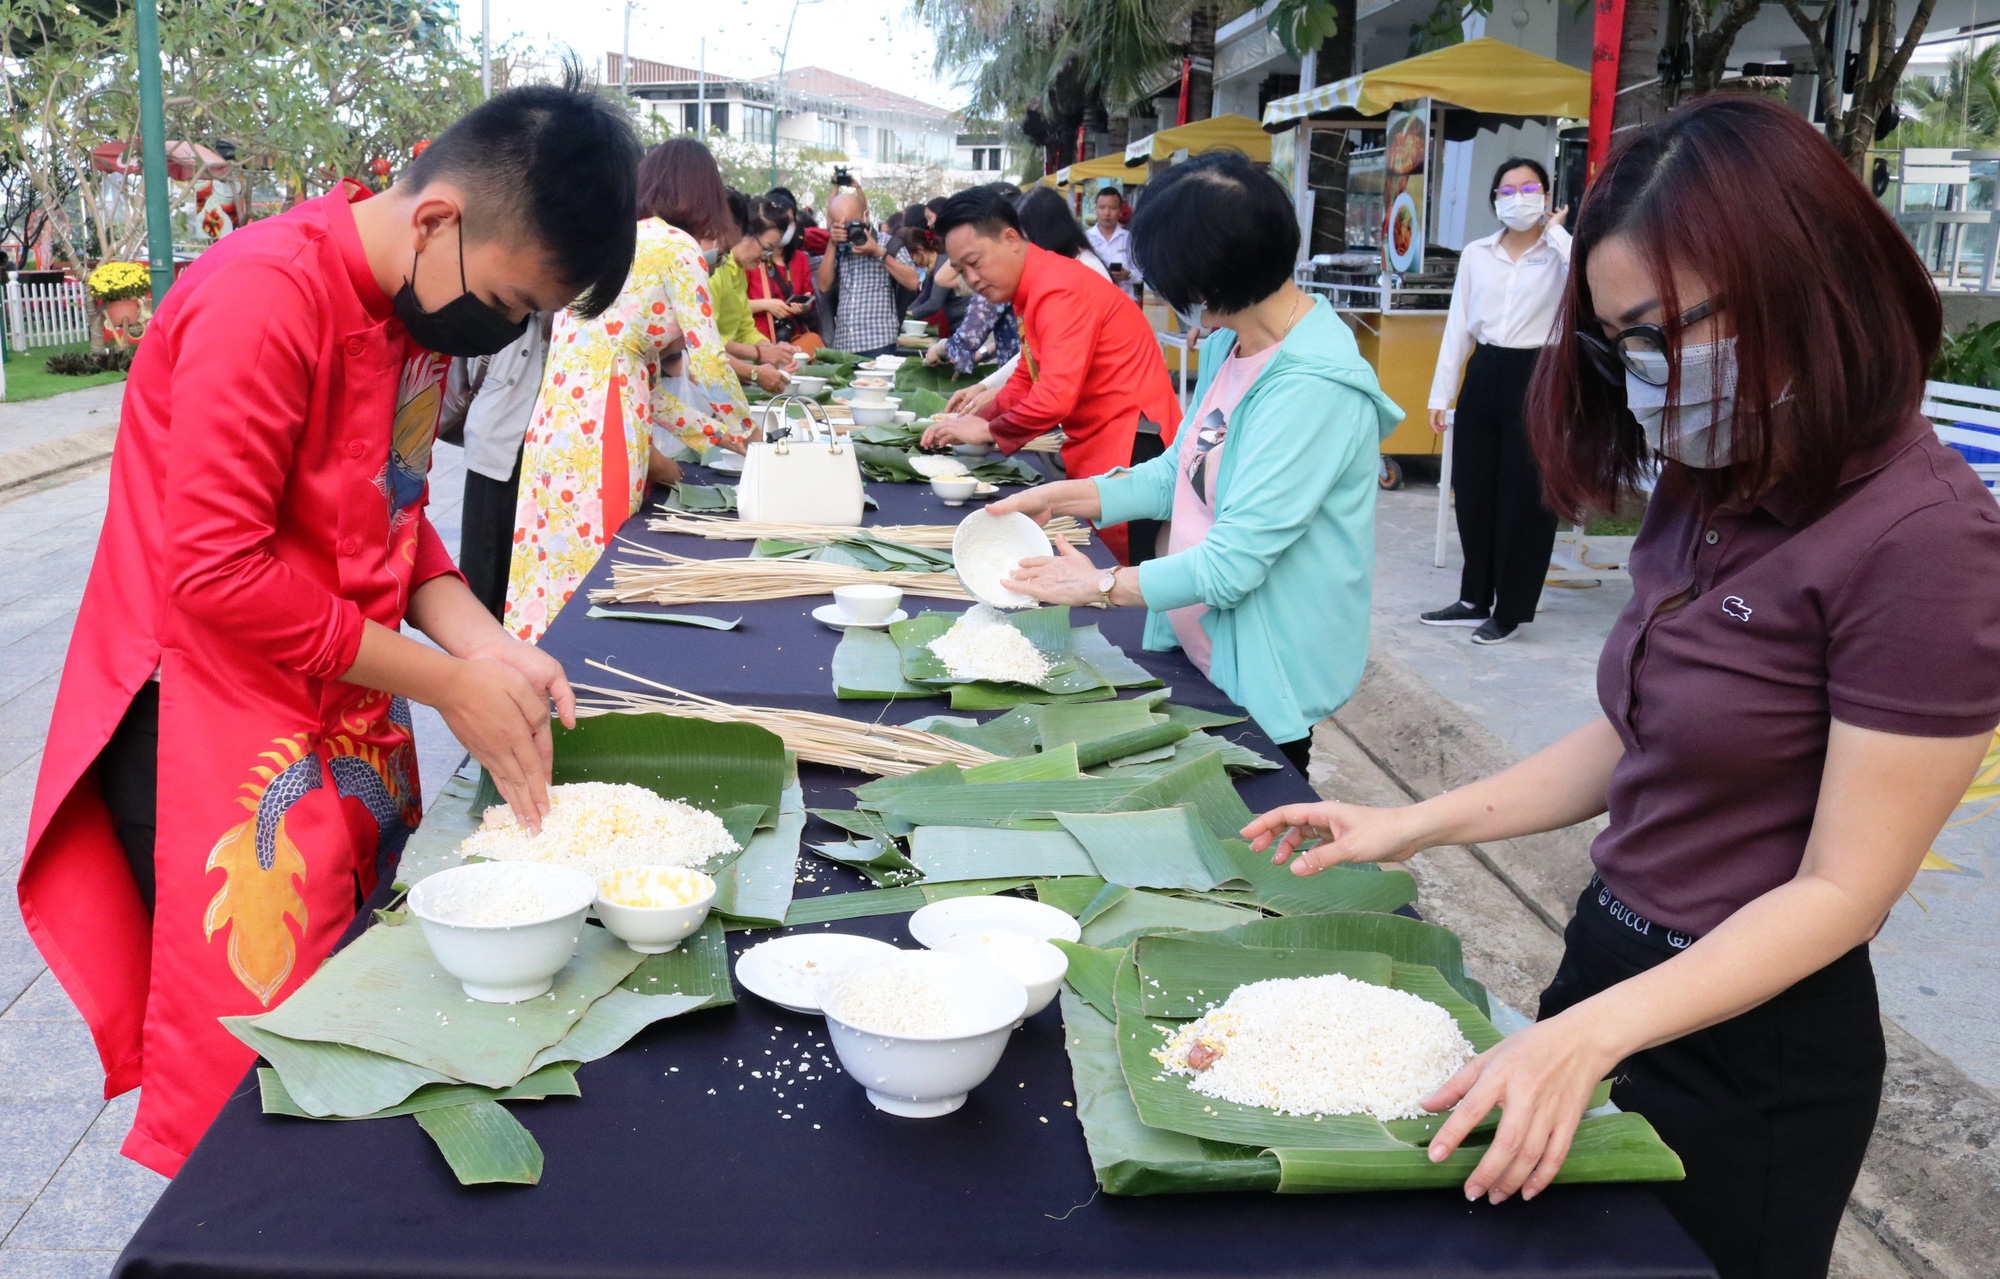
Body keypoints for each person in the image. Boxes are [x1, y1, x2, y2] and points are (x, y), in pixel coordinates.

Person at [1242, 96, 2000, 1279]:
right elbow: (1634, 733)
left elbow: (1842, 888)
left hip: (1750, 1044)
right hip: (1607, 968)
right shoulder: (1720, 464)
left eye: (1662, 333)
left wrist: (1584, 1038)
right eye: (1618, 345)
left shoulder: (1923, 540)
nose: (1646, 378)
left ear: (1800, 276)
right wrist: (1413, 822)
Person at [19, 75, 638, 1177]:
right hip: (209, 716)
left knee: (357, 1005)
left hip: (338, 700)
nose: (498, 333)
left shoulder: (411, 311)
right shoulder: (260, 296)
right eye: (506, 305)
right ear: (442, 216)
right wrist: (444, 685)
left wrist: (483, 644)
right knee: (255, 1046)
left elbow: (398, 525)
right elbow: (216, 572)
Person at [990, 152, 1399, 768]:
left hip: (1262, 670)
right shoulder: (1235, 344)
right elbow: (1179, 472)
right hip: (1203, 646)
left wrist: (1101, 584)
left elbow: (1235, 562)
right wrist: (1065, 497)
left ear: (1209, 277)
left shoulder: (1314, 387)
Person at [504, 138, 754, 642]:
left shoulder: (612, 243)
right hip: (604, 432)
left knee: (550, 568)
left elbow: (636, 383)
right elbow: (706, 360)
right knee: (603, 568)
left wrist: (719, 434)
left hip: (555, 423)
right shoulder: (676, 247)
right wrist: (750, 428)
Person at [920, 186, 1177, 562]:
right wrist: (976, 418)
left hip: (1134, 442)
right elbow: (1028, 377)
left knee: (1144, 570)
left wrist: (991, 431)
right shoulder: (1035, 287)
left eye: (975, 262)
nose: (971, 279)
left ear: (1011, 238)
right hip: (1111, 441)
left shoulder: (1058, 288)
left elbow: (1054, 395)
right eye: (961, 270)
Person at [1420, 157, 1571, 646]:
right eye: (1507, 190)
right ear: (1494, 199)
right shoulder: (1476, 254)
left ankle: (1511, 607)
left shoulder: (1561, 254)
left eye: (1529, 188)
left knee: (1526, 497)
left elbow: (1586, 286)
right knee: (1475, 488)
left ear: (1547, 196)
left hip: (1539, 373)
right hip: (1485, 371)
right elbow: (1458, 324)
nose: (1517, 197)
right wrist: (1441, 393)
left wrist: (1559, 235)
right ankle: (1473, 599)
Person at [443, 311, 555, 618]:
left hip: (546, 450)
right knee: (483, 566)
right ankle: (480, 644)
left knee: (521, 559)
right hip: (495, 440)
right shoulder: (504, 302)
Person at [708, 189, 798, 390]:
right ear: (745, 234)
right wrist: (758, 355)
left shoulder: (738, 272)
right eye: (765, 248)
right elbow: (708, 341)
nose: (766, 257)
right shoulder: (716, 272)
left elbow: (744, 329)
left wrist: (769, 348)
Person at [816, 187, 921, 356]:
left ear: (865, 216)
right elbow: (823, 286)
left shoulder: (888, 243)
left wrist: (878, 253)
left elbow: (913, 281)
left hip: (879, 342)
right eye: (841, 225)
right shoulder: (837, 248)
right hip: (844, 343)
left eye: (852, 223)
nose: (848, 230)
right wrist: (832, 243)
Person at [1086, 187, 1142, 301]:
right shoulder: (1085, 240)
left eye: (1112, 208)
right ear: (1095, 209)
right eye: (1102, 208)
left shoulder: (1129, 239)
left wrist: (1129, 275)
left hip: (1124, 302)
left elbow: (1142, 274)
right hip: (1093, 302)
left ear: (1120, 211)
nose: (1107, 213)